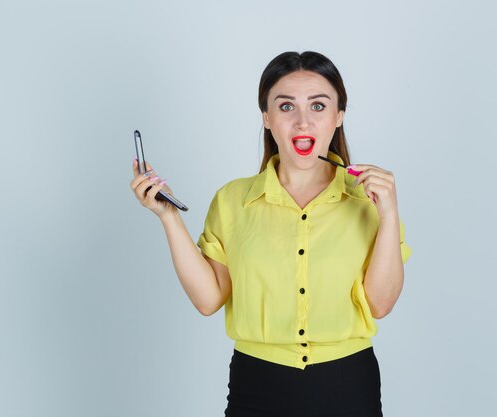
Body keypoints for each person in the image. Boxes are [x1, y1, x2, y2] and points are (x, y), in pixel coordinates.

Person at [129, 50, 412, 417]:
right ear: (266, 117)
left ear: (338, 116)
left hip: (348, 383)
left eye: (318, 106)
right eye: (286, 107)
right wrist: (168, 216)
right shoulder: (232, 200)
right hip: (256, 384)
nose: (302, 122)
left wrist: (388, 214)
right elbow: (208, 300)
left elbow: (381, 304)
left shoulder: (370, 201)